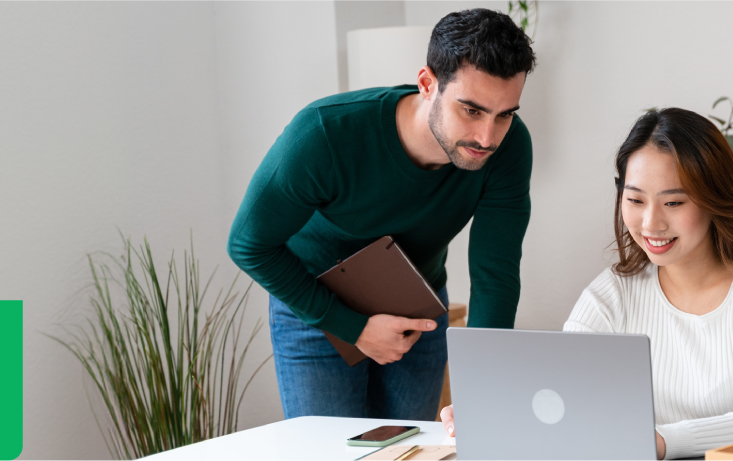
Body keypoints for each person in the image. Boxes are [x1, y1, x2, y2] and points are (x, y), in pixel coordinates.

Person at [441, 108, 733, 460]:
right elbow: (560, 392)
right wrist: (496, 409)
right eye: (634, 200)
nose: (651, 223)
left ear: (714, 200)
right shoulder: (612, 292)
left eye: (674, 202)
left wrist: (662, 442)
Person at [227, 8, 535, 421]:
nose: (487, 137)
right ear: (428, 84)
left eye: (505, 114)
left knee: (412, 450)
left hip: (418, 308)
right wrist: (352, 327)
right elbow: (249, 244)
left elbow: (495, 275)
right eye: (471, 110)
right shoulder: (323, 135)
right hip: (317, 308)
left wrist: (482, 384)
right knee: (330, 453)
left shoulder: (509, 147)